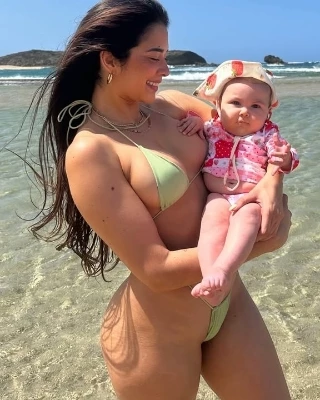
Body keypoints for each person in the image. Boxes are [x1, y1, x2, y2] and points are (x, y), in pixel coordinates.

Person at [25, 1, 293, 399]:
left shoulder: (176, 106)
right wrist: (260, 243)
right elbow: (155, 268)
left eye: (166, 56)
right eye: (154, 57)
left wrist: (272, 181)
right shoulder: (92, 151)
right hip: (156, 332)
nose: (165, 69)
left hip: (230, 306)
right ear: (110, 60)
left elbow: (257, 137)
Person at [178, 60, 299, 305]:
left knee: (248, 219)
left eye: (256, 106)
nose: (245, 112)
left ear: (268, 113)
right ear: (218, 105)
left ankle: (224, 269)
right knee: (212, 225)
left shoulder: (267, 134)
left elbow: (289, 156)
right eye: (235, 103)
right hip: (218, 195)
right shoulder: (213, 128)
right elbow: (201, 123)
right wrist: (195, 121)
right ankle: (210, 276)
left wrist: (285, 158)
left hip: (250, 198)